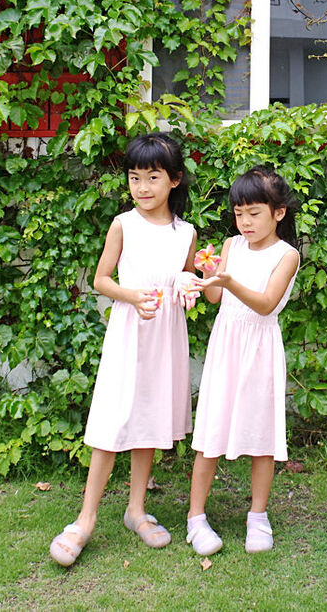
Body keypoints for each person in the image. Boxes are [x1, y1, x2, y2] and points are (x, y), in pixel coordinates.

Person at [49, 132, 200, 567]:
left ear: (174, 180)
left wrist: (189, 288)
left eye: (153, 177)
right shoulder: (123, 223)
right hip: (130, 332)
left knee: (150, 418)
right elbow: (101, 280)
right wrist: (132, 296)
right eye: (135, 177)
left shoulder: (185, 232)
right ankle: (84, 520)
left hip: (165, 336)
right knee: (113, 422)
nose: (142, 187)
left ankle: (136, 511)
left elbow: (184, 278)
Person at [185, 166, 301, 556]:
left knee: (262, 436)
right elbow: (216, 300)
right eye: (239, 213)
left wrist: (229, 280)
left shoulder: (288, 255)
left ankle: (258, 516)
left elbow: (267, 305)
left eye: (254, 213)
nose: (245, 222)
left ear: (278, 213)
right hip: (226, 345)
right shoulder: (231, 246)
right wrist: (209, 275)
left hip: (261, 350)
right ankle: (195, 518)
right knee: (210, 434)